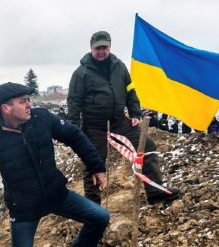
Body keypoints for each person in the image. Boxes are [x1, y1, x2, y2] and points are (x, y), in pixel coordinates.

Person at [0, 82, 110, 247]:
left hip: (56, 194)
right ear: (6, 108)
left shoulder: (42, 118)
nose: (29, 104)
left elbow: (73, 135)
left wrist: (96, 166)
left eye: (28, 99)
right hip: (24, 209)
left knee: (101, 217)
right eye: (23, 101)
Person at [67, 31, 180, 205]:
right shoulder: (80, 73)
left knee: (147, 145)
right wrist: (73, 129)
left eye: (104, 47)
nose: (101, 51)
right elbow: (73, 102)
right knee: (93, 162)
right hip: (94, 126)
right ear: (91, 48)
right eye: (98, 48)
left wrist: (134, 113)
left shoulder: (119, 66)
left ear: (110, 46)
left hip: (119, 121)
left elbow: (130, 91)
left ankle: (156, 192)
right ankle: (92, 205)